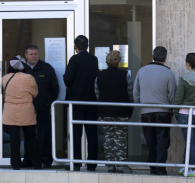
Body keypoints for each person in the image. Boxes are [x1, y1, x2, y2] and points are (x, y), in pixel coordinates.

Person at [133, 46, 177, 175]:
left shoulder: (142, 71)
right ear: (165, 58)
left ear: (152, 56)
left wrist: (141, 105)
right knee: (162, 141)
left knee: (150, 141)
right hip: (163, 112)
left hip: (146, 113)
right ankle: (160, 168)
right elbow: (172, 95)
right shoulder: (168, 73)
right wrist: (171, 108)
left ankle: (152, 167)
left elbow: (136, 93)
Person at [63, 35, 99, 171]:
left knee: (76, 134)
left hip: (77, 102)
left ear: (75, 46)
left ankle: (76, 163)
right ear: (88, 45)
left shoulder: (74, 59)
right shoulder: (93, 59)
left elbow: (68, 78)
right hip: (91, 102)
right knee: (92, 134)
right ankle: (92, 164)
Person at [95, 50, 133, 173]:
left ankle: (110, 164)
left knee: (108, 137)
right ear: (119, 62)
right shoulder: (125, 75)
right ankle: (120, 165)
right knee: (120, 138)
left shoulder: (99, 76)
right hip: (122, 112)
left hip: (105, 112)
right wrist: (130, 108)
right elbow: (130, 94)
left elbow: (97, 94)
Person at [23, 44, 59, 168]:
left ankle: (45, 159)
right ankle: (28, 159)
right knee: (28, 135)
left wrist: (48, 102)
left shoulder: (47, 68)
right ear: (26, 55)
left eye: (36, 54)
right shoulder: (22, 69)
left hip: (42, 108)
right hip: (26, 109)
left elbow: (55, 89)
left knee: (44, 135)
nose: (34, 56)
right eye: (31, 54)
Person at [1, 55, 39, 170]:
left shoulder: (5, 78)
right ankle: (36, 164)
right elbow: (35, 93)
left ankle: (15, 164)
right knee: (31, 137)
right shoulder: (29, 78)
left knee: (14, 138)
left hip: (10, 111)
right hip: (26, 110)